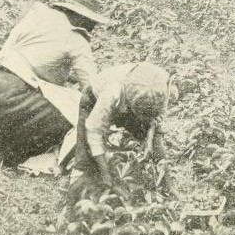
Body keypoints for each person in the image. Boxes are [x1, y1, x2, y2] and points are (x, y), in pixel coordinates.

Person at [0, 0, 112, 165]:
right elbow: (91, 87)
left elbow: (25, 57)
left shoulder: (37, 14)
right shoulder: (76, 39)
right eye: (92, 22)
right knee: (69, 115)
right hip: (12, 92)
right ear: (81, 17)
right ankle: (5, 151)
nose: (93, 27)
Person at [70, 63, 174, 201]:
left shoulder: (161, 85)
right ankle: (78, 177)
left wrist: (148, 138)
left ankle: (168, 184)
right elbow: (94, 130)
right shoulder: (111, 93)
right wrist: (105, 173)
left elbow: (154, 120)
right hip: (93, 99)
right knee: (86, 153)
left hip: (133, 102)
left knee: (154, 139)